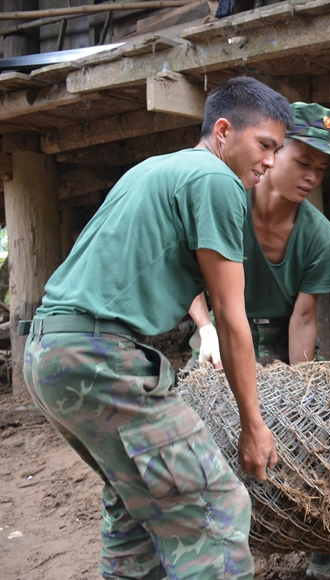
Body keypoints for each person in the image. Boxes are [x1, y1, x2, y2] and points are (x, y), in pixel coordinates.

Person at [21, 76, 293, 580]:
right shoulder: (217, 181)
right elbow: (236, 319)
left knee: (135, 504)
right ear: (224, 131)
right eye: (265, 145)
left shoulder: (154, 169)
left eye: (278, 150)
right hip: (99, 358)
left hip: (49, 354)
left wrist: (201, 326)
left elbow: (154, 264)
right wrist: (253, 426)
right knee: (215, 508)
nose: (271, 162)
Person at [188, 103, 330, 580]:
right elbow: (188, 278)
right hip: (218, 333)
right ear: (271, 152)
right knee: (203, 431)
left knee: (326, 430)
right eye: (302, 161)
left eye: (320, 169)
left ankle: (327, 549)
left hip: (284, 335)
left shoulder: (319, 234)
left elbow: (305, 319)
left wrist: (300, 389)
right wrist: (204, 330)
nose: (312, 176)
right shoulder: (225, 199)